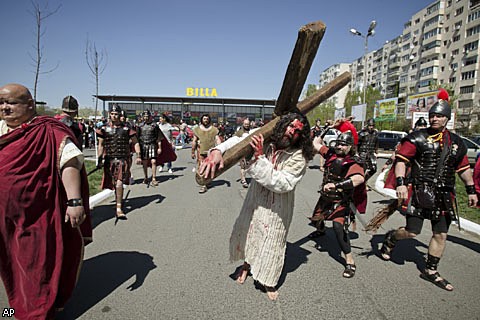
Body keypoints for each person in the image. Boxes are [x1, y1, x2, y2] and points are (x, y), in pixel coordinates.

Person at [0, 83, 92, 319]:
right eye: (1, 102)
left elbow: (69, 161)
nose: (4, 107)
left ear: (29, 105)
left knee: (33, 263)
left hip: (37, 214)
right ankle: (16, 307)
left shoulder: (50, 131)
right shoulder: (2, 130)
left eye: (11, 102)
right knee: (11, 264)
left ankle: (35, 312)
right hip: (5, 216)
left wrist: (74, 202)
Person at [199, 112, 313, 300]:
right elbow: (238, 141)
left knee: (272, 239)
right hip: (256, 197)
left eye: (296, 130)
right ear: (282, 124)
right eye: (289, 126)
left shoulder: (299, 156)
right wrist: (217, 151)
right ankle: (246, 265)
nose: (290, 131)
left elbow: (284, 183)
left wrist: (260, 158)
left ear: (301, 135)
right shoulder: (268, 136)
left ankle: (268, 280)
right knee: (249, 232)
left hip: (278, 205)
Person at [380, 96, 477, 291]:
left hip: (444, 195)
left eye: (439, 116)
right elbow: (402, 161)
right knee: (412, 232)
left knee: (440, 234)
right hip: (419, 192)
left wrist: (471, 190)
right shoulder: (417, 138)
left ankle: (431, 270)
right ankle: (392, 237)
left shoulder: (457, 143)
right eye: (432, 115)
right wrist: (400, 183)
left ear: (447, 118)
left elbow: (464, 168)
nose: (434, 119)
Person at [309, 131, 366, 278]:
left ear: (350, 147)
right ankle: (321, 230)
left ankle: (349, 261)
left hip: (340, 200)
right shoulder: (330, 153)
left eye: (343, 144)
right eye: (338, 143)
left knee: (338, 227)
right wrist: (328, 128)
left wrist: (336, 185)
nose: (340, 146)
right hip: (325, 197)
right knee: (316, 219)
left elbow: (359, 179)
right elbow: (315, 144)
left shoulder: (353, 161)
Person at [96, 104, 141, 220]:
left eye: (116, 114)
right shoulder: (103, 129)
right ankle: (118, 201)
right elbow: (100, 145)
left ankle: (119, 208)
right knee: (113, 183)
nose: (114, 116)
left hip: (122, 159)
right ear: (109, 114)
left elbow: (136, 142)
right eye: (112, 114)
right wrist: (99, 159)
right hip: (109, 160)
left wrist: (138, 156)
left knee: (119, 182)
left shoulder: (127, 129)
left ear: (119, 115)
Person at [192, 113, 220, 193]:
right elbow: (194, 141)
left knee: (210, 168)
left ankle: (207, 181)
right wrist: (192, 152)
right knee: (201, 168)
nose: (206, 120)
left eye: (207, 119)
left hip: (211, 152)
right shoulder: (197, 129)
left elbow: (217, 139)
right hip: (201, 152)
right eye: (204, 119)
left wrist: (220, 149)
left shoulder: (214, 129)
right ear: (202, 119)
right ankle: (203, 185)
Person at [137, 110, 162, 186]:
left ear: (150, 117)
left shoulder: (154, 126)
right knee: (144, 163)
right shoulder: (139, 126)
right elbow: (137, 138)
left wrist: (159, 147)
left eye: (147, 116)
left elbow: (158, 138)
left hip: (152, 145)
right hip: (143, 145)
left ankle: (154, 178)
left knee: (153, 162)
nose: (146, 118)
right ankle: (146, 177)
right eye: (144, 116)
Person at [357, 118, 378, 183]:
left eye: (372, 126)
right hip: (362, 153)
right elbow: (357, 143)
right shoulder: (362, 133)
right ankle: (359, 183)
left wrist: (376, 151)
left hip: (371, 153)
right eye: (370, 125)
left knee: (373, 169)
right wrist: (357, 153)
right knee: (361, 169)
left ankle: (364, 181)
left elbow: (376, 142)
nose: (371, 127)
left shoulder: (375, 133)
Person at [235, 118, 251, 188]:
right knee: (243, 166)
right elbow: (234, 141)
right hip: (242, 151)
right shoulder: (239, 132)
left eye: (248, 124)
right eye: (245, 124)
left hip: (250, 152)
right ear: (243, 124)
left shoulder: (251, 131)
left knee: (248, 166)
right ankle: (244, 180)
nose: (247, 125)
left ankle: (243, 178)